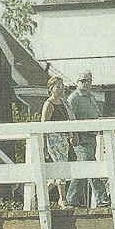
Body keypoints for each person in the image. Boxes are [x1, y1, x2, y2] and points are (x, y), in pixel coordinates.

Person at [64, 71, 109, 208]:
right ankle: (101, 197)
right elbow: (70, 118)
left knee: (84, 168)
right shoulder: (74, 98)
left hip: (91, 137)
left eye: (89, 80)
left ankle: (72, 199)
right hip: (81, 138)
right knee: (89, 166)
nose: (86, 83)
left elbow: (96, 114)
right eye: (83, 81)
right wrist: (73, 136)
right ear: (77, 82)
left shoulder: (91, 97)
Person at [41, 76, 73, 208]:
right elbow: (44, 125)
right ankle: (62, 199)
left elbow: (69, 120)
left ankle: (40, 194)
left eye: (62, 86)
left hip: (63, 139)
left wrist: (72, 135)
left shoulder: (64, 103)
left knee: (59, 171)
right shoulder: (49, 104)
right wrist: (43, 146)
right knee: (61, 167)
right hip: (54, 139)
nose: (61, 89)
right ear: (51, 89)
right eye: (58, 87)